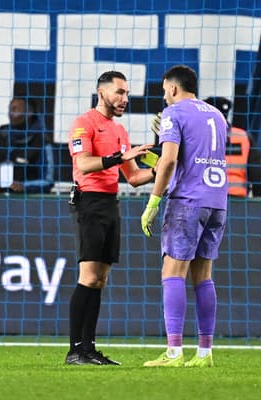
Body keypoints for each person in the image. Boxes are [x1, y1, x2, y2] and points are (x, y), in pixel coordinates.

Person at [64, 70, 156, 366]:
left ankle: (89, 349)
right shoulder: (84, 123)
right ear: (101, 92)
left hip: (110, 204)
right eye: (119, 92)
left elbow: (134, 178)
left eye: (127, 93)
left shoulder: (119, 131)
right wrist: (118, 158)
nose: (124, 98)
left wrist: (164, 169)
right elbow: (84, 163)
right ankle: (75, 350)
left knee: (100, 280)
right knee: (88, 276)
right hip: (88, 202)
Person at [140, 65, 229, 368]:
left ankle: (174, 352)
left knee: (172, 273)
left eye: (165, 91)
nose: (165, 97)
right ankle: (204, 353)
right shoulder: (217, 115)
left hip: (187, 201)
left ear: (174, 89)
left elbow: (169, 161)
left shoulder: (173, 113)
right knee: (203, 277)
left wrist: (153, 202)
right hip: (217, 201)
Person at [0, 97, 54, 194]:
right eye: (10, 108)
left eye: (15, 109)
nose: (10, 112)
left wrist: (24, 187)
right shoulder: (3, 133)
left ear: (29, 113)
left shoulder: (42, 140)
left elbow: (48, 182)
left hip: (29, 200)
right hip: (1, 198)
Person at [203, 96, 250, 197]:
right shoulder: (242, 136)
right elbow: (256, 170)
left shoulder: (198, 136)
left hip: (206, 196)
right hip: (236, 196)